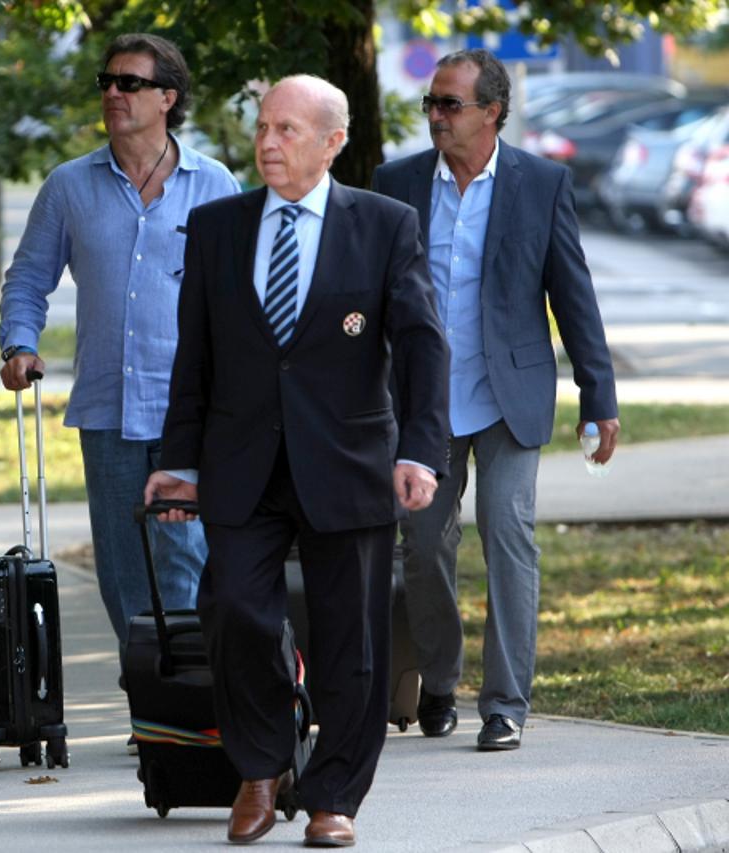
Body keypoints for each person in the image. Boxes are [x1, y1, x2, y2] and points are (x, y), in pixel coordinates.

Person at [145, 76, 450, 847]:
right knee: (236, 613)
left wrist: (420, 449)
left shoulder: (384, 225)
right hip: (241, 460)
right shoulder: (217, 226)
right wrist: (180, 460)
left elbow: (420, 345)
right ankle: (261, 766)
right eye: (263, 127)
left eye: (287, 129)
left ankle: (334, 794)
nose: (268, 142)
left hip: (348, 462)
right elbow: (197, 358)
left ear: (332, 142)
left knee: (352, 638)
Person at [372, 48, 619, 751]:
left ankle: (506, 701)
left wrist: (597, 393)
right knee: (423, 545)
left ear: (493, 112)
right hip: (422, 401)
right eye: (431, 103)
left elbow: (573, 291)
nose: (436, 117)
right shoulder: (396, 183)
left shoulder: (540, 183)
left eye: (450, 104)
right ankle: (442, 678)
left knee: (508, 534)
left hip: (510, 392)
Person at [0, 35, 240, 687]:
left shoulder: (215, 184)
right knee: (122, 568)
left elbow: (242, 296)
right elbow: (27, 278)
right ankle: (152, 698)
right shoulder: (70, 186)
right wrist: (19, 342)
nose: (112, 93)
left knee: (186, 554)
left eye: (128, 83)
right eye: (106, 81)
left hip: (192, 411)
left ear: (168, 98)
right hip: (107, 409)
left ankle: (196, 694)